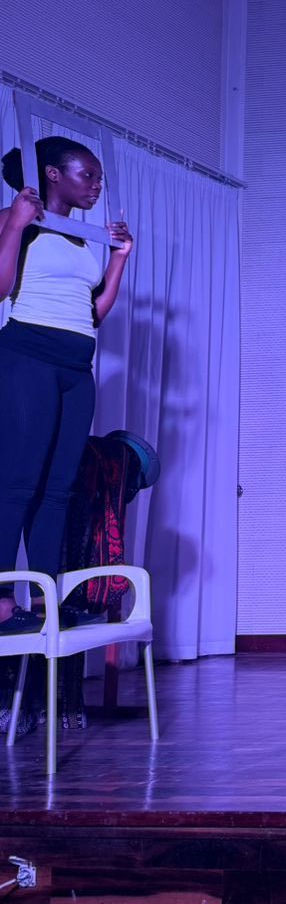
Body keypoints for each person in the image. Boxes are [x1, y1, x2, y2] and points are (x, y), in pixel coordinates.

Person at [0, 140, 134, 641]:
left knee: (58, 490)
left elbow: (93, 312)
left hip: (76, 367)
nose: (97, 185)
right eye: (88, 175)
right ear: (52, 175)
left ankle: (43, 601)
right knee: (18, 483)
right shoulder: (17, 219)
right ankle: (1, 603)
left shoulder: (82, 235)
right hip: (27, 358)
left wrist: (119, 258)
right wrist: (15, 223)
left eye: (99, 177)